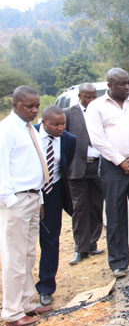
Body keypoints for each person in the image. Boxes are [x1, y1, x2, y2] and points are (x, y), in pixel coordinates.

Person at [86, 68, 129, 278]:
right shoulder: (96, 107)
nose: (127, 87)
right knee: (116, 214)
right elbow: (97, 138)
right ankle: (118, 262)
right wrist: (120, 161)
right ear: (110, 85)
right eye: (121, 84)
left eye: (128, 83)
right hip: (113, 167)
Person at [0, 86, 53, 326]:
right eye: (29, 106)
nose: (34, 111)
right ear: (16, 105)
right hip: (16, 202)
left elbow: (33, 164)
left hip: (33, 197)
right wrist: (10, 202)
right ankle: (12, 313)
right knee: (14, 257)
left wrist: (39, 198)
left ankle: (27, 302)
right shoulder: (6, 130)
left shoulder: (30, 129)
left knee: (29, 254)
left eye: (36, 106)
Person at [34, 105, 76, 307]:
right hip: (31, 193)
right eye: (55, 124)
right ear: (44, 122)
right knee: (24, 245)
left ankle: (46, 287)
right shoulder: (30, 135)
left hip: (53, 195)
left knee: (50, 241)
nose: (61, 128)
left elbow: (64, 168)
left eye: (63, 124)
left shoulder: (69, 140)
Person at [64, 83, 105, 266]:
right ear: (80, 96)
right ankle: (80, 248)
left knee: (96, 206)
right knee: (80, 208)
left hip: (97, 166)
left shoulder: (101, 111)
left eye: (94, 96)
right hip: (77, 167)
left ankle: (93, 243)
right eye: (87, 96)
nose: (91, 100)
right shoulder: (69, 113)